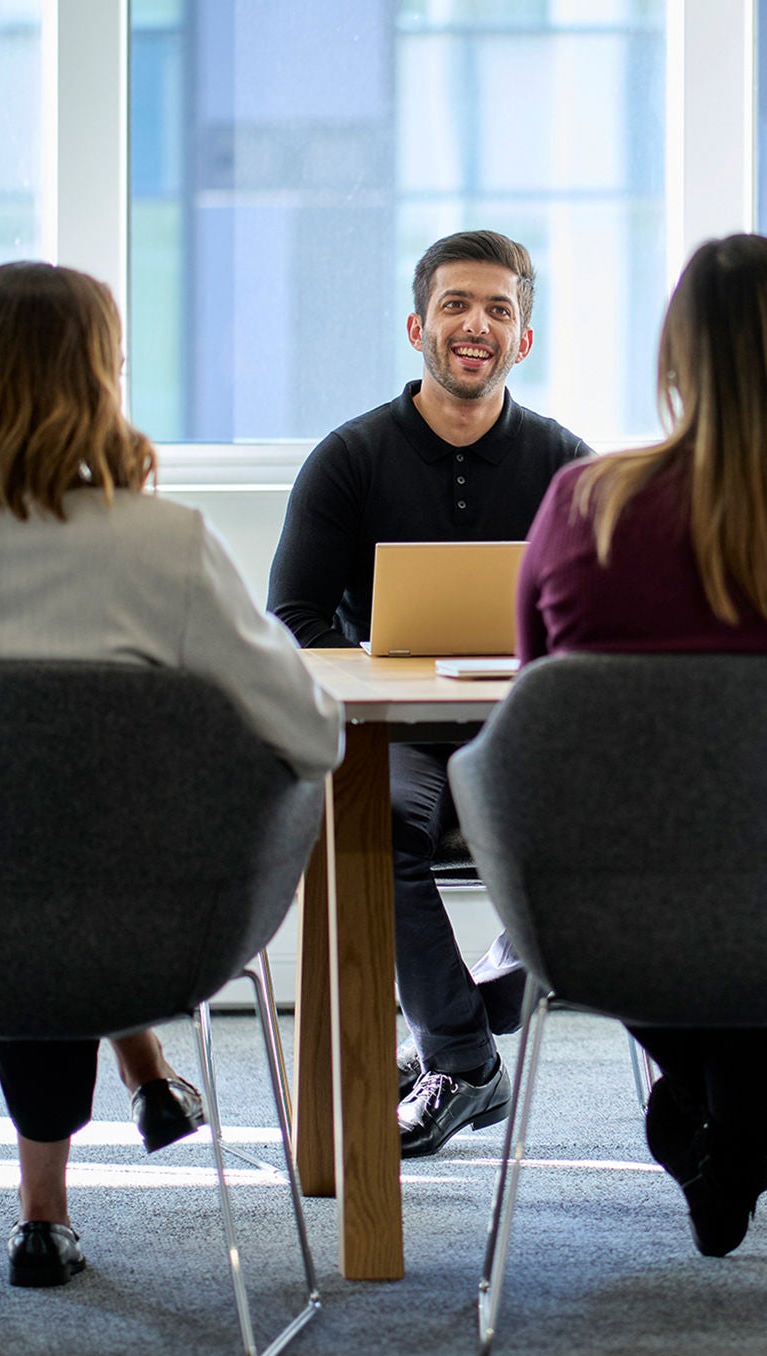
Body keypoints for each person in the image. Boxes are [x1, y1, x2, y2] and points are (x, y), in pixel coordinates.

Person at [0, 261, 344, 1287]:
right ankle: (140, 1076)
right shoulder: (165, 548)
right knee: (73, 861)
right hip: (147, 929)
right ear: (101, 377)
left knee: (22, 857)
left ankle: (46, 1207)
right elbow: (315, 736)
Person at [517, 233, 767, 1256]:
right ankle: (732, 1125)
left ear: (674, 357)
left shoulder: (587, 503)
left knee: (687, 891)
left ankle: (701, 1109)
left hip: (603, 904)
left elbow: (533, 709)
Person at [267, 230, 592, 1157]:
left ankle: (485, 993)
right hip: (398, 733)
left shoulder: (568, 464)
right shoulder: (351, 457)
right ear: (419, 325)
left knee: (604, 809)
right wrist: (382, 673)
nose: (475, 325)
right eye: (456, 305)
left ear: (522, 340)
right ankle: (464, 1056)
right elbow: (290, 618)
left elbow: (607, 617)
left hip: (523, 733)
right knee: (364, 829)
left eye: (498, 308)